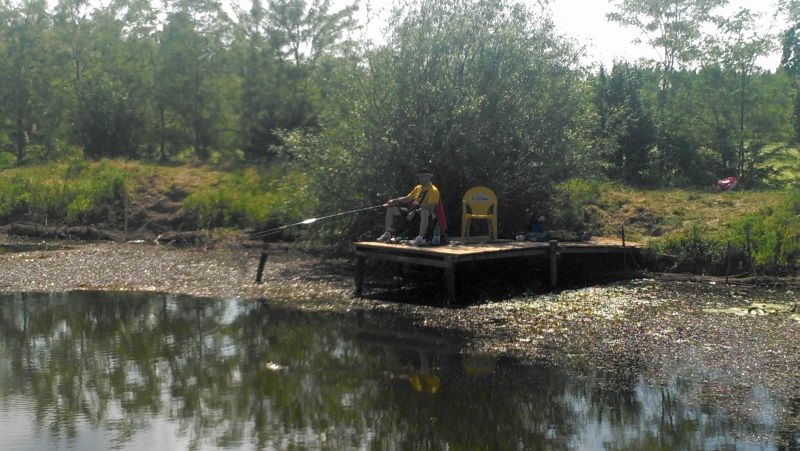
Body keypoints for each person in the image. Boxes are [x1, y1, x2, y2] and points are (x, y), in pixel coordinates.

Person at [377, 168, 440, 246]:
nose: (420, 178)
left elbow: (431, 208)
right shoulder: (418, 188)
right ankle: (387, 234)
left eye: (423, 176)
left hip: (424, 214)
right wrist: (393, 201)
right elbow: (407, 198)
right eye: (419, 177)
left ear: (429, 177)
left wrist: (414, 212)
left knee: (424, 212)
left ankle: (420, 238)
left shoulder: (433, 190)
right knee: (392, 208)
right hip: (412, 212)